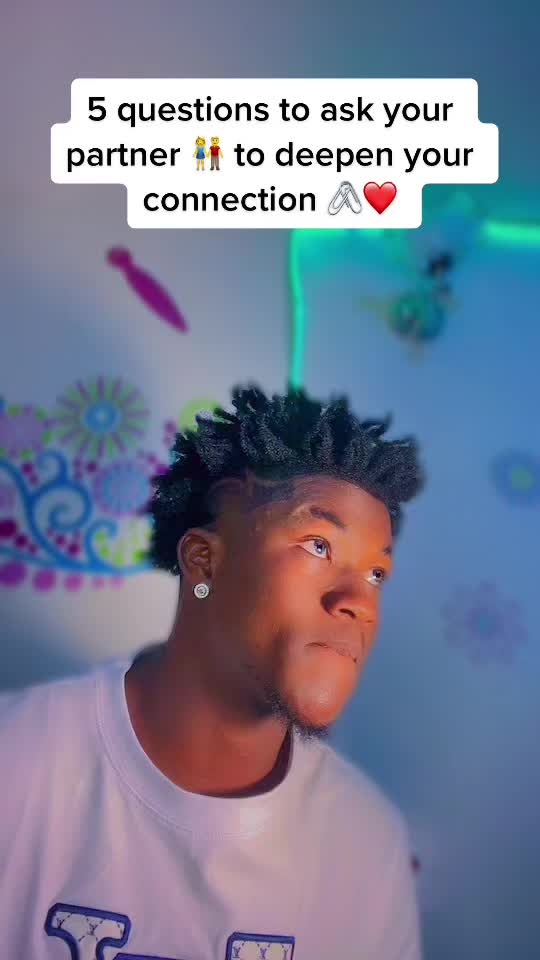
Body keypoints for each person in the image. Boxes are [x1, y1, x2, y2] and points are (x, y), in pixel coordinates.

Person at [0, 382, 425, 959]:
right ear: (204, 562)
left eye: (376, 573)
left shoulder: (367, 843)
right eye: (319, 545)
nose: (358, 601)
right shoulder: (16, 762)